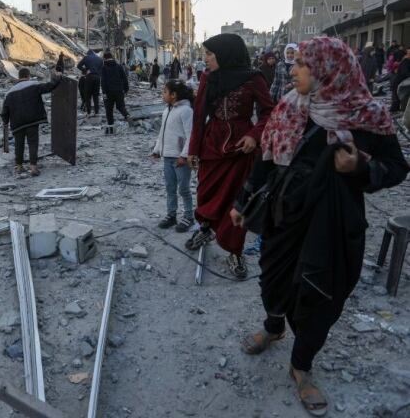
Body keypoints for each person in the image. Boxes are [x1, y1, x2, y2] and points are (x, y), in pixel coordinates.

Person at [231, 36, 407, 416]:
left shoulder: (365, 114)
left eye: (301, 65)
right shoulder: (289, 107)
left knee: (319, 291)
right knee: (272, 277)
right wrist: (243, 202)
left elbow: (397, 167)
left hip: (332, 221)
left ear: (329, 69)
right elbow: (266, 158)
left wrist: (362, 168)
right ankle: (274, 325)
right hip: (283, 213)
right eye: (293, 63)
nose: (292, 70)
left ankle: (301, 365)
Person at [185, 33, 275, 279]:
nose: (206, 59)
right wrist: (193, 150)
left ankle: (235, 251)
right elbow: (199, 115)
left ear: (226, 55)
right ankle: (205, 228)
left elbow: (269, 112)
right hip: (211, 146)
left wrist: (254, 136)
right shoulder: (207, 78)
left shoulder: (254, 78)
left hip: (240, 149)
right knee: (206, 193)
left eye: (210, 54)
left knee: (237, 200)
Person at [0, 67, 61, 176]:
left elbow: (4, 112)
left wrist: (6, 123)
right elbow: (49, 86)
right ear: (28, 76)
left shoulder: (9, 93)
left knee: (19, 144)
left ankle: (19, 166)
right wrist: (57, 77)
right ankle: (33, 167)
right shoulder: (34, 85)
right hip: (32, 120)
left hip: (17, 123)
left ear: (18, 77)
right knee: (33, 143)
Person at [152, 80, 195, 232]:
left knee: (183, 189)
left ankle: (189, 216)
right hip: (168, 157)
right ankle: (171, 215)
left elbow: (191, 135)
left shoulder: (186, 111)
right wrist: (157, 150)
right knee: (170, 188)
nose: (162, 94)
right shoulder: (167, 110)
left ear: (174, 95)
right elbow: (162, 133)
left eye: (164, 91)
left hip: (180, 159)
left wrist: (184, 155)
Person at [101, 51, 131, 134]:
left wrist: (104, 93)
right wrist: (126, 89)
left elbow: (103, 81)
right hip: (119, 91)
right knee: (121, 106)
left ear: (104, 58)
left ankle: (111, 128)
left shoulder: (104, 68)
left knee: (109, 110)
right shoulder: (119, 66)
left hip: (109, 92)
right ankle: (127, 115)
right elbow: (124, 78)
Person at [390, 48, 410, 112]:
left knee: (399, 97)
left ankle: (397, 109)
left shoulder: (406, 61)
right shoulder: (406, 61)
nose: (408, 54)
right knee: (396, 97)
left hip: (401, 82)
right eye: (408, 53)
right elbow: (405, 72)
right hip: (399, 82)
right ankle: (393, 111)